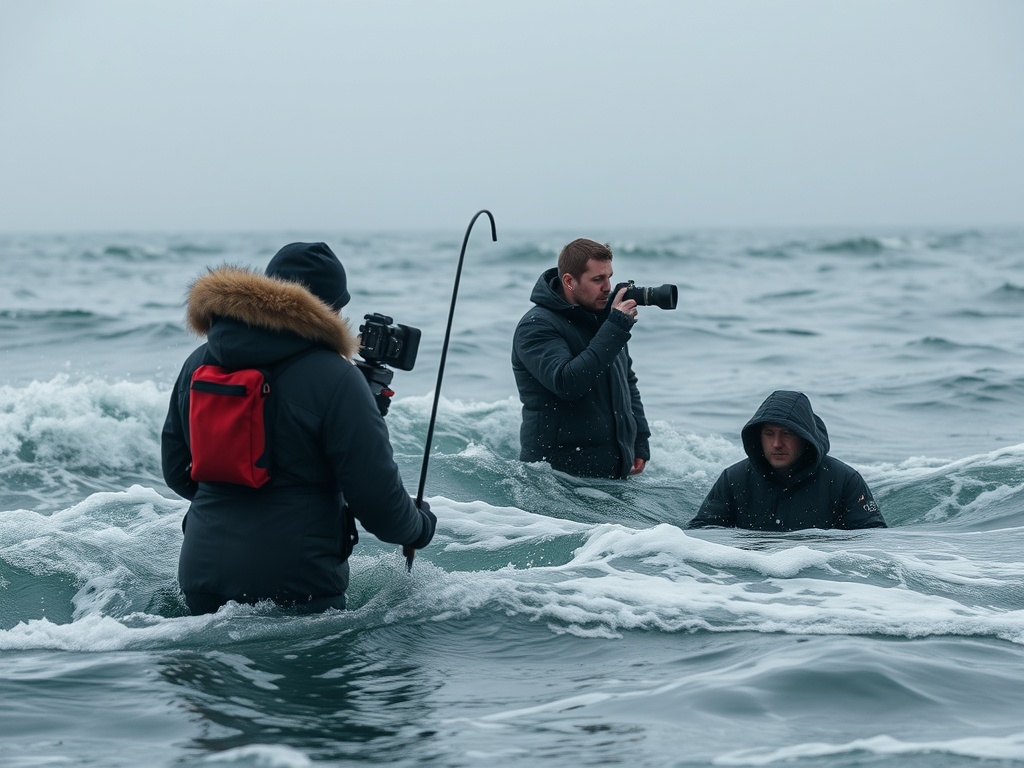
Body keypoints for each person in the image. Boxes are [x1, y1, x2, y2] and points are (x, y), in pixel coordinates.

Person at [161, 242, 436, 615]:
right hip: (297, 587)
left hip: (199, 576)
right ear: (332, 310)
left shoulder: (199, 361)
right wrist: (420, 527)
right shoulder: (337, 379)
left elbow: (178, 472)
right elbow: (379, 507)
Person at [512, 238, 651, 479]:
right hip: (555, 481)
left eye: (609, 276)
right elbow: (568, 383)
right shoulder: (536, 326)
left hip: (611, 477)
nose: (608, 287)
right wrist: (616, 326)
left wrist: (639, 441)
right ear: (569, 281)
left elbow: (627, 382)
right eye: (597, 279)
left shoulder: (606, 322)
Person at [688, 390, 886, 531]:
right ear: (758, 437)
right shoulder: (734, 478)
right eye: (769, 433)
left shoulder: (845, 480)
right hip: (748, 581)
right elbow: (704, 534)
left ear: (804, 437)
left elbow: (871, 539)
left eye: (788, 434)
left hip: (824, 579)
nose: (777, 443)